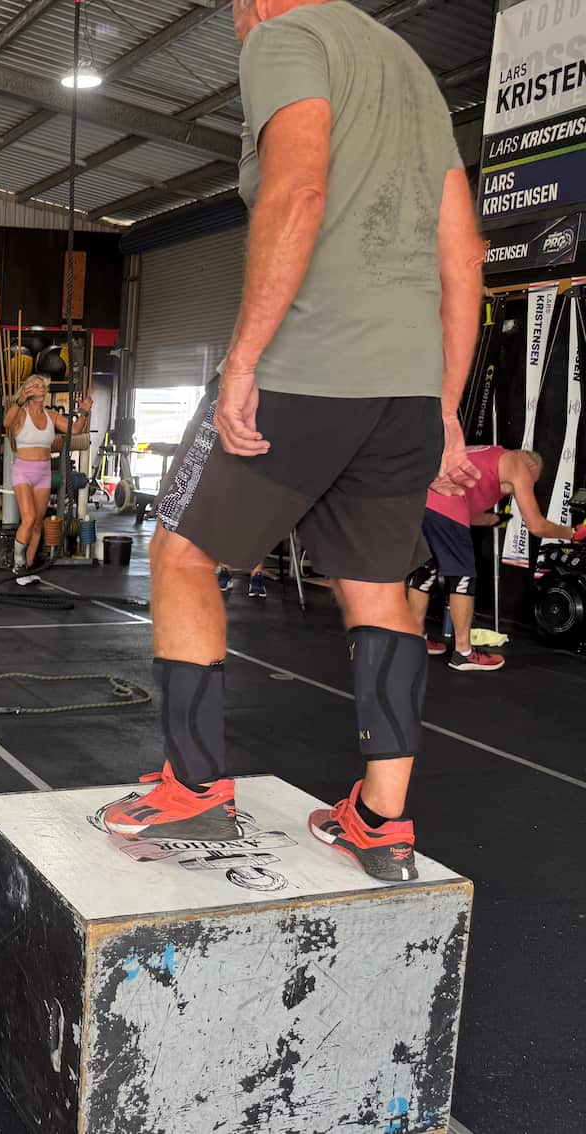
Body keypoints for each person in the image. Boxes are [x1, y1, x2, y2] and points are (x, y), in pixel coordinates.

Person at [99, 0, 488, 883]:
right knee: (380, 592)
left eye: (235, 8)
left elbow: (300, 187)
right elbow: (464, 255)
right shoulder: (408, 66)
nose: (237, 23)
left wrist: (243, 359)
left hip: (304, 370)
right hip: (403, 394)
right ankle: (380, 820)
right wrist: (446, 404)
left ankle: (194, 789)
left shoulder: (287, 38)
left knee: (182, 553)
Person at [407, 446, 586, 672]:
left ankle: (414, 640)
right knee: (464, 577)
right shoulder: (518, 463)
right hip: (445, 503)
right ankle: (463, 653)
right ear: (531, 466)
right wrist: (573, 533)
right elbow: (536, 526)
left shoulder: (487, 459)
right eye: (530, 482)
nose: (521, 489)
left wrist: (497, 520)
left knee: (424, 571)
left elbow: (469, 514)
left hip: (419, 501)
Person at [2, 374, 92, 582]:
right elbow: (7, 422)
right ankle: (18, 564)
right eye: (35, 385)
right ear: (28, 391)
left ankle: (30, 565)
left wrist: (85, 411)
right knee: (29, 517)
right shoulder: (21, 414)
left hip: (44, 472)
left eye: (43, 386)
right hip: (23, 470)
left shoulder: (51, 416)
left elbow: (75, 429)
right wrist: (20, 400)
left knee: (37, 524)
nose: (41, 388)